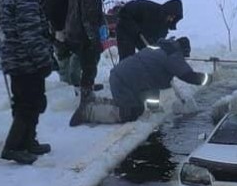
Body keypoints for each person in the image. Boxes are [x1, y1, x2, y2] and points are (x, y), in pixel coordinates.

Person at [69, 36, 211, 127]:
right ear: (183, 51)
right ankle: (87, 111)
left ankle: (95, 101)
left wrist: (155, 109)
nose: (183, 59)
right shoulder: (172, 55)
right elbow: (189, 76)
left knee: (136, 106)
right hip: (124, 81)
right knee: (130, 113)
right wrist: (209, 79)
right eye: (184, 56)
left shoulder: (159, 47)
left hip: (124, 76)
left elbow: (151, 85)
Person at [0, 0, 56, 165]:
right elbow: (30, 34)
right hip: (26, 62)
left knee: (32, 102)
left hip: (18, 60)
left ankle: (29, 141)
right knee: (28, 104)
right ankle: (13, 147)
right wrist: (43, 61)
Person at [64, 0, 109, 108]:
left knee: (81, 63)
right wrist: (94, 40)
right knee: (89, 66)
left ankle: (83, 89)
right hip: (84, 37)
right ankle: (87, 97)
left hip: (72, 35)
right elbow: (89, 19)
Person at [44, 0, 82, 86]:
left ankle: (77, 84)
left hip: (72, 29)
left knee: (75, 58)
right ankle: (66, 88)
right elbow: (50, 9)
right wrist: (58, 29)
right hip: (60, 30)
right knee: (64, 61)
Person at [115, 0, 183, 60]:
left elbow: (154, 43)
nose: (171, 19)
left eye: (173, 18)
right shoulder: (148, 8)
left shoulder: (164, 27)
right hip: (125, 29)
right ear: (167, 11)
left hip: (140, 36)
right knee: (127, 58)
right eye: (170, 16)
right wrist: (136, 30)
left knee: (148, 56)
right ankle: (122, 72)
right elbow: (124, 12)